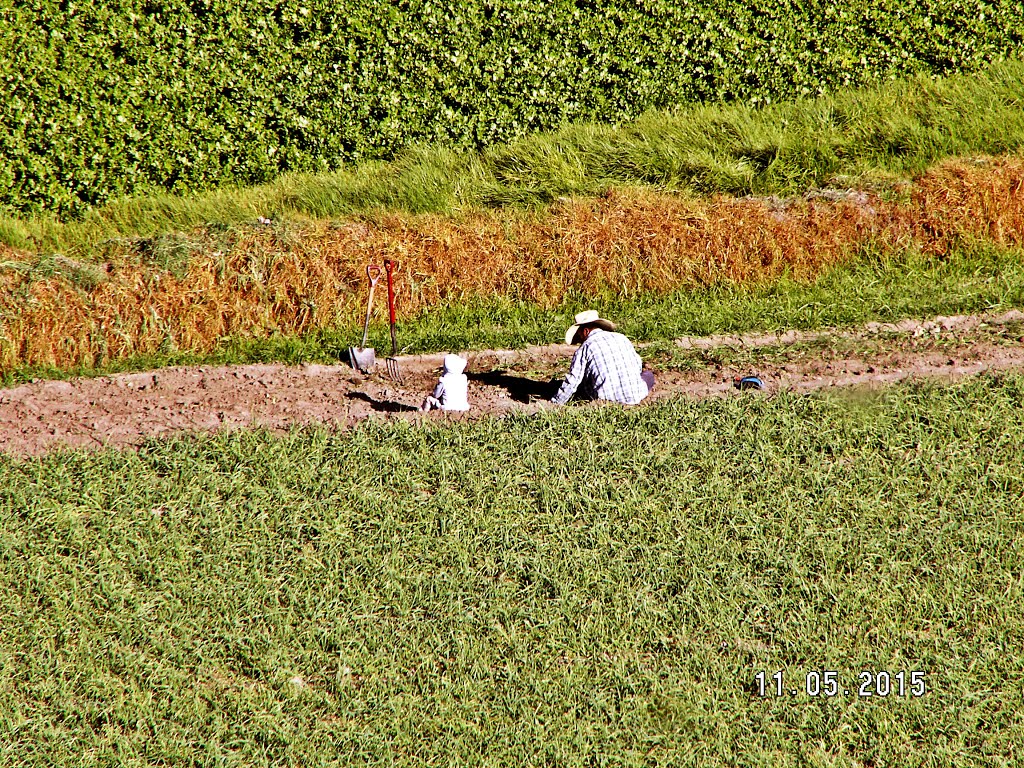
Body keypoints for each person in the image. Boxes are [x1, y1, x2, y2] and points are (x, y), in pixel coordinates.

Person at [551, 310, 654, 406]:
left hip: (604, 400)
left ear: (586, 331)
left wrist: (556, 402)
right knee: (648, 375)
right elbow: (637, 365)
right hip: (636, 395)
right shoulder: (622, 338)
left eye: (580, 336)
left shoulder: (585, 347)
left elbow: (573, 380)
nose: (580, 340)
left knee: (583, 385)